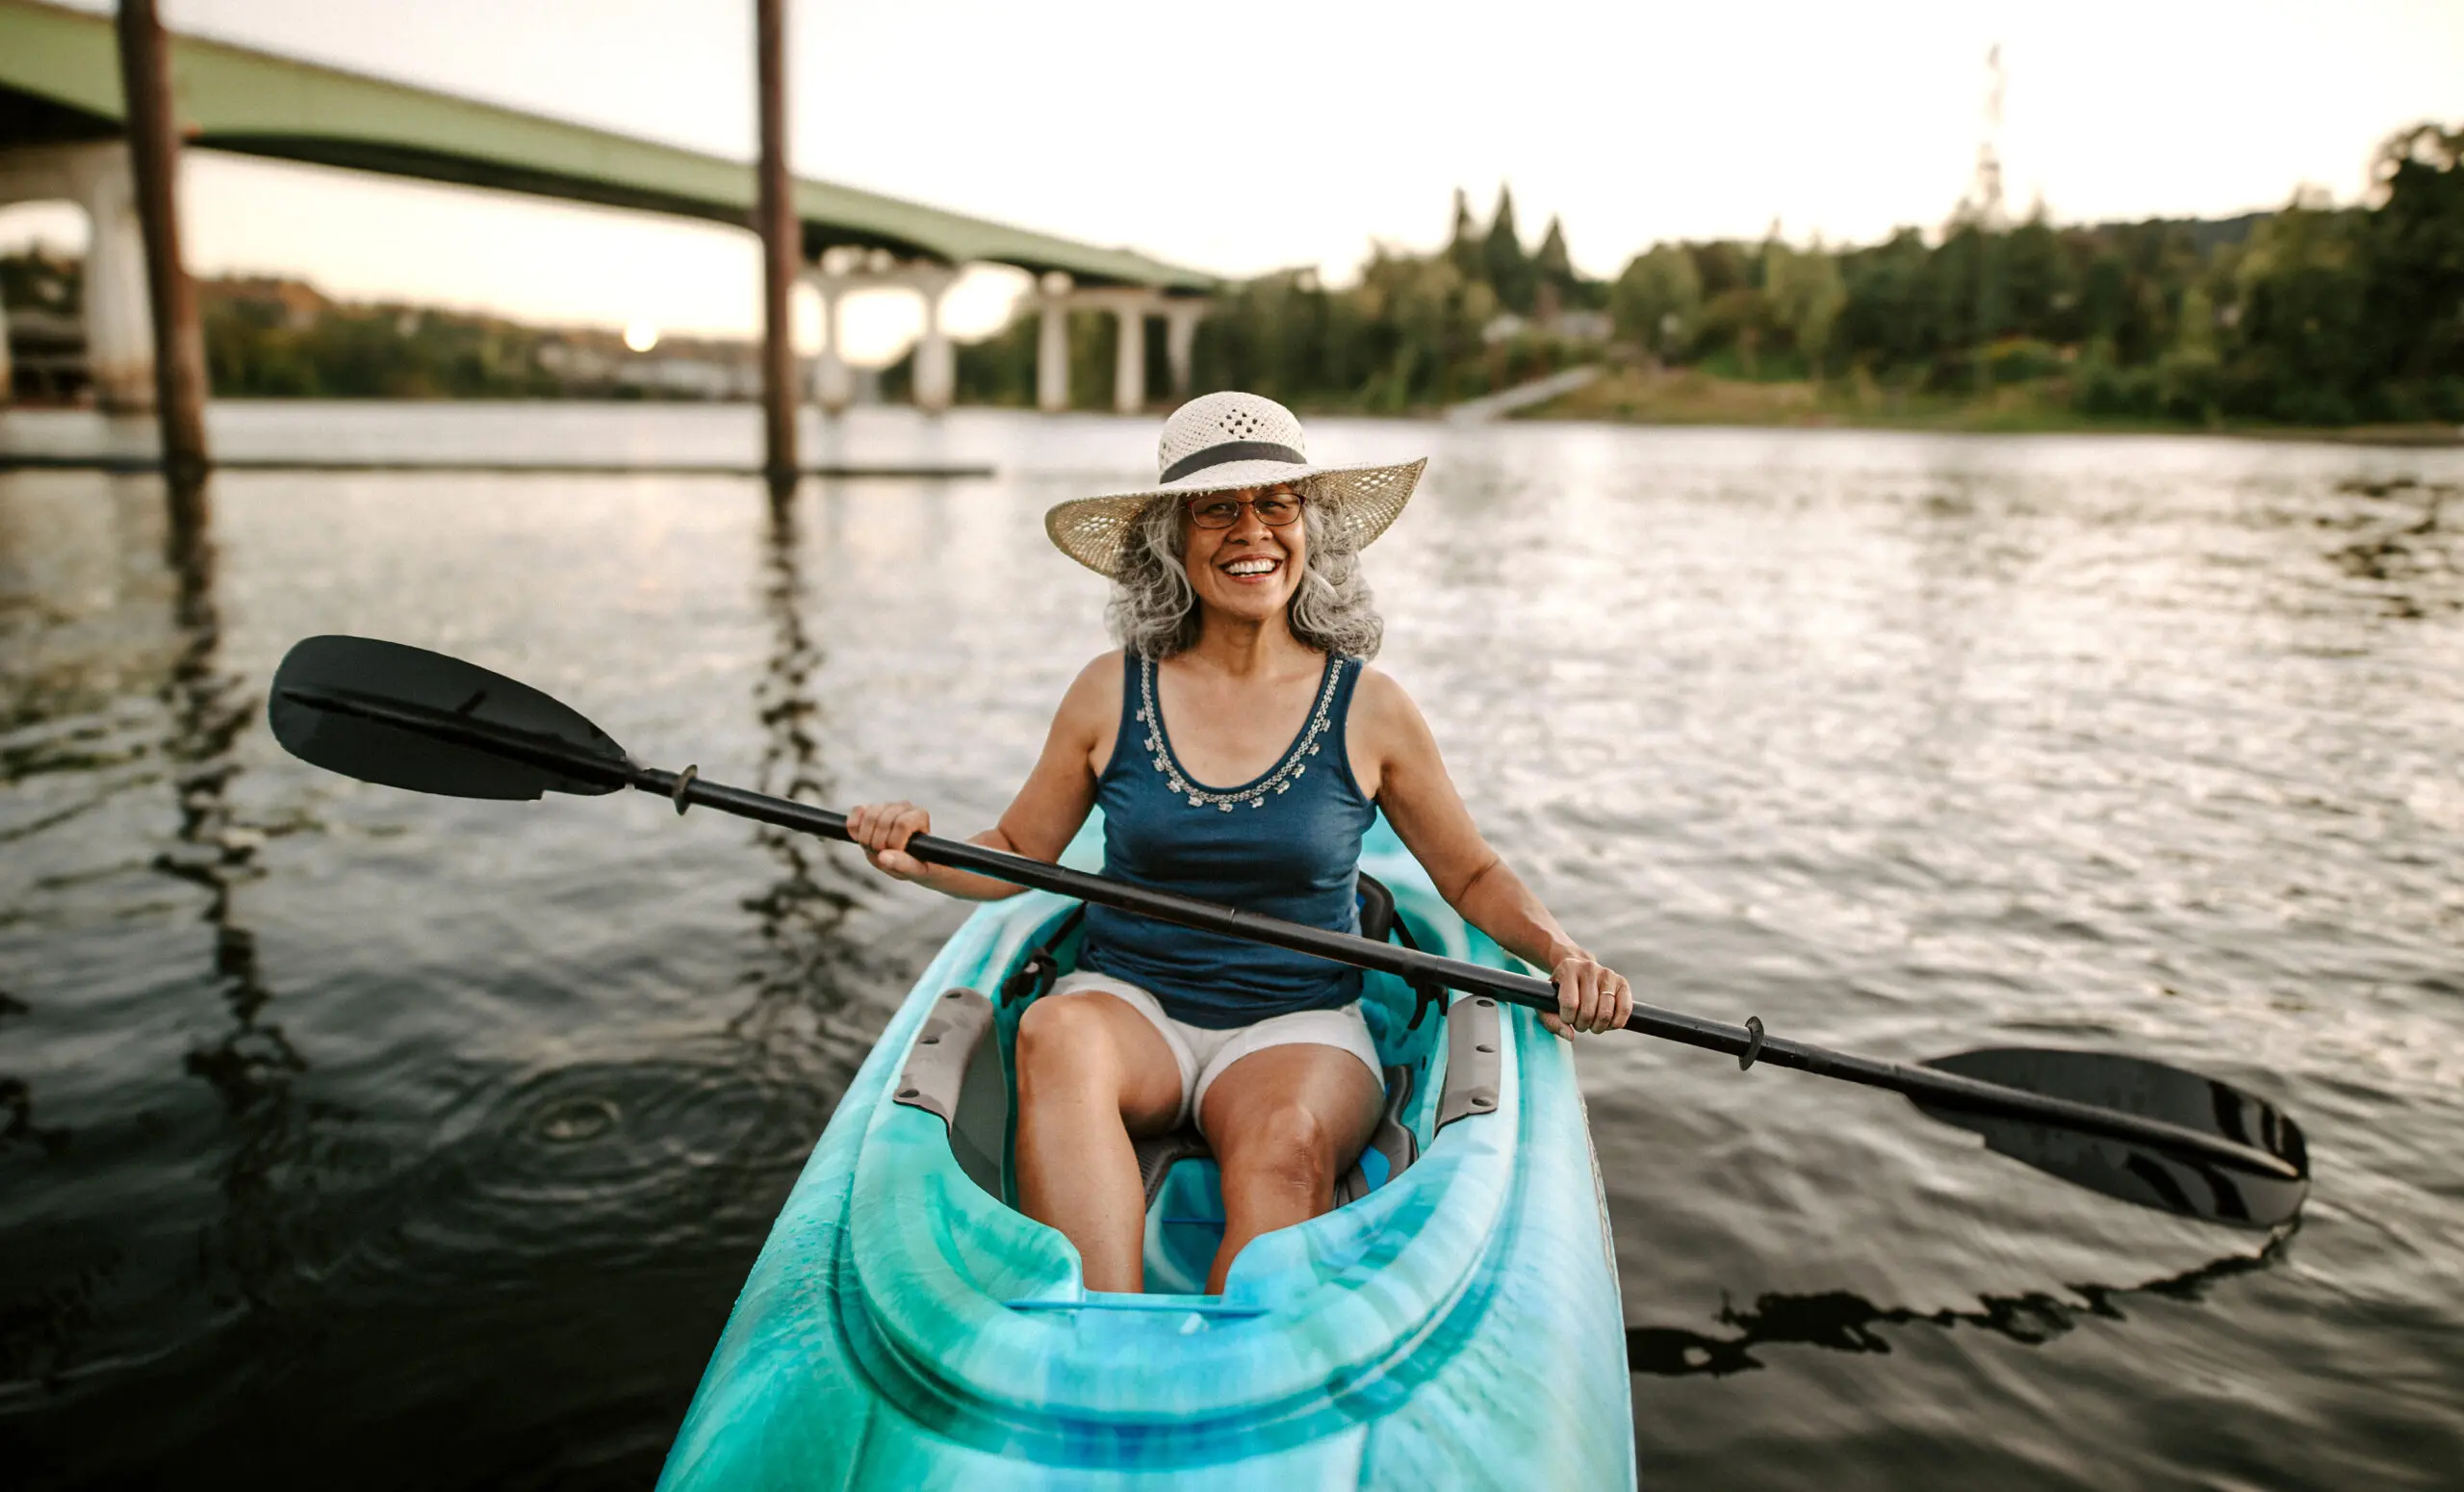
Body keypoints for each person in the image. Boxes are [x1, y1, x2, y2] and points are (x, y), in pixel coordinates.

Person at [847, 391, 1633, 1295]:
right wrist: (917, 853)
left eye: (1276, 505)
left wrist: (1562, 952)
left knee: (1288, 1144)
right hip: (1128, 1004)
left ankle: (1236, 1354)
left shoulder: (1371, 707)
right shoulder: (1109, 692)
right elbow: (1018, 848)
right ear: (1173, 542)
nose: (1250, 531)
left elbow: (1472, 872)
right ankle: (1098, 1336)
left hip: (1298, 1024)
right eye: (1217, 508)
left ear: (1311, 530)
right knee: (1055, 1031)